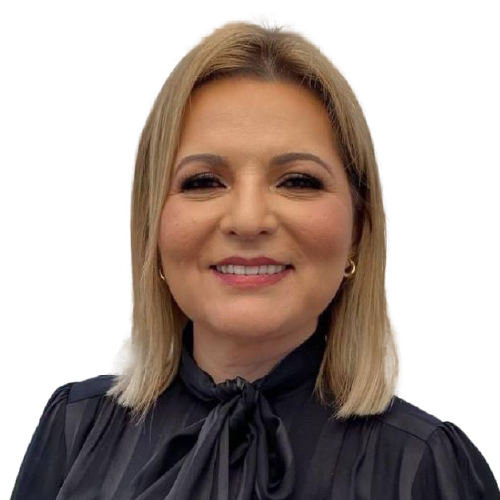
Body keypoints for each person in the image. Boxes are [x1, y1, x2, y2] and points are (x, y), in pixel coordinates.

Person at [10, 12, 499, 500]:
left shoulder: (425, 466)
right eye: (203, 181)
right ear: (151, 225)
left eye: (298, 181)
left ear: (358, 227)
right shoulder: (74, 431)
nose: (247, 220)